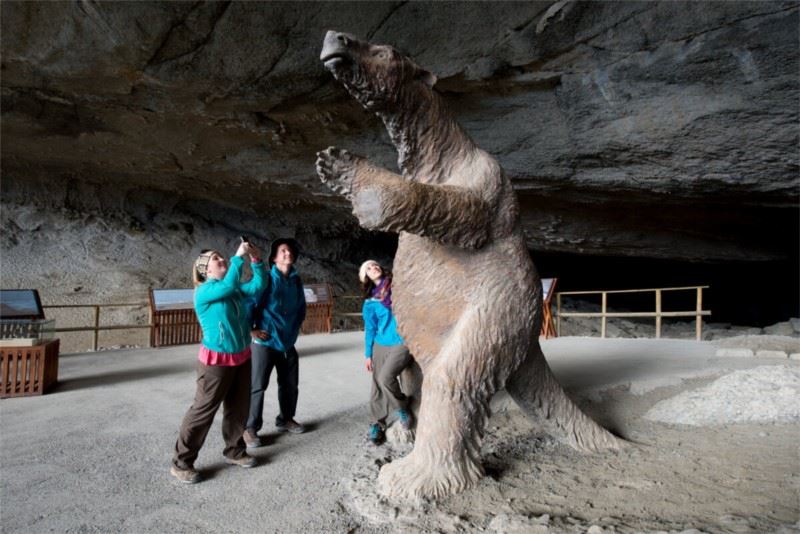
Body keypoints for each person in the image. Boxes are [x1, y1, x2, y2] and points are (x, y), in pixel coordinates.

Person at [171, 241, 267, 484]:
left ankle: (234, 451)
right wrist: (238, 257)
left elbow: (257, 286)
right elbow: (228, 286)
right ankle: (182, 462)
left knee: (238, 408)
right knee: (203, 410)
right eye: (216, 259)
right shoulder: (204, 291)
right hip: (216, 361)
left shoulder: (231, 288)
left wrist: (256, 261)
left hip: (241, 356)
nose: (222, 260)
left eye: (222, 257)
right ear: (205, 270)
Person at [243, 238, 307, 448]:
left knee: (290, 384)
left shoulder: (296, 280)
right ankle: (250, 428)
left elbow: (300, 308)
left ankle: (285, 419)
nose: (287, 253)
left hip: (287, 341)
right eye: (282, 251)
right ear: (273, 258)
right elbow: (249, 304)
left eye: (290, 251)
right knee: (257, 385)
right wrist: (250, 329)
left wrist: (294, 329)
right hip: (265, 341)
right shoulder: (267, 279)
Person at [359, 259, 413, 445]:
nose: (373, 268)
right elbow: (370, 329)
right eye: (368, 268)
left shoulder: (397, 285)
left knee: (385, 378)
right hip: (380, 344)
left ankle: (402, 407)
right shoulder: (370, 302)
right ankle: (377, 423)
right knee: (376, 385)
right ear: (365, 276)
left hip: (402, 341)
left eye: (375, 265)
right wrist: (368, 354)